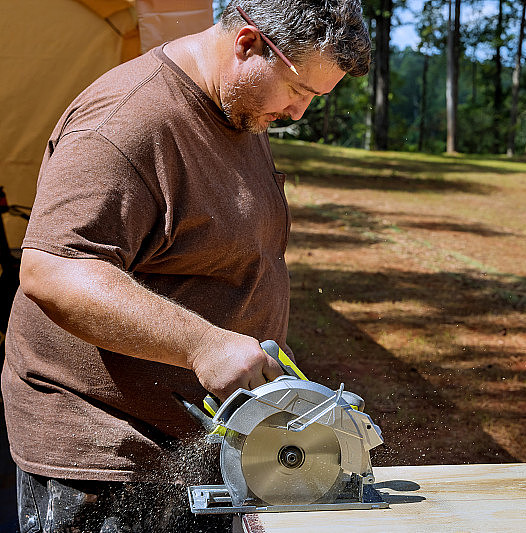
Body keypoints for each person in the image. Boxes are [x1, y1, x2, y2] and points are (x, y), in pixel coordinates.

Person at [1, 0, 370, 531]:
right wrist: (205, 344)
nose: (298, 113)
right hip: (107, 460)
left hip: (194, 440)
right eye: (299, 90)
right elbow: (53, 268)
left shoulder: (238, 105)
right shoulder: (125, 121)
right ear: (247, 43)